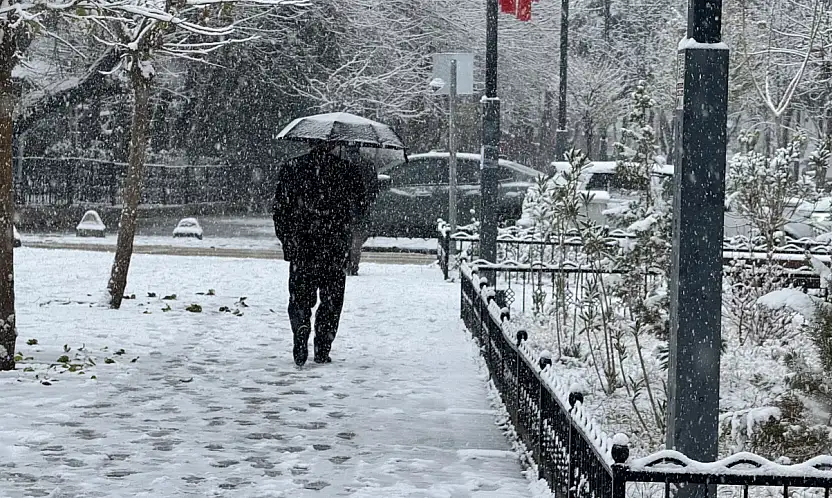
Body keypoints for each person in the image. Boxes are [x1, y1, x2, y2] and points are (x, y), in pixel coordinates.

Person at [273, 143, 371, 366]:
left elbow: (280, 209)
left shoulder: (293, 167)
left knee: (299, 297)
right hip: (334, 246)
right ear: (334, 145)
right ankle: (322, 348)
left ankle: (300, 328)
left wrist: (288, 240)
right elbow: (362, 205)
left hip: (302, 246)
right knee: (331, 301)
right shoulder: (346, 170)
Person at [344, 147, 380, 276]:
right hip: (360, 208)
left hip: (342, 209)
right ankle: (353, 264)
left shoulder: (341, 165)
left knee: (343, 236)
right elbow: (374, 188)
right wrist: (366, 200)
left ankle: (344, 261)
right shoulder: (368, 165)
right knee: (357, 239)